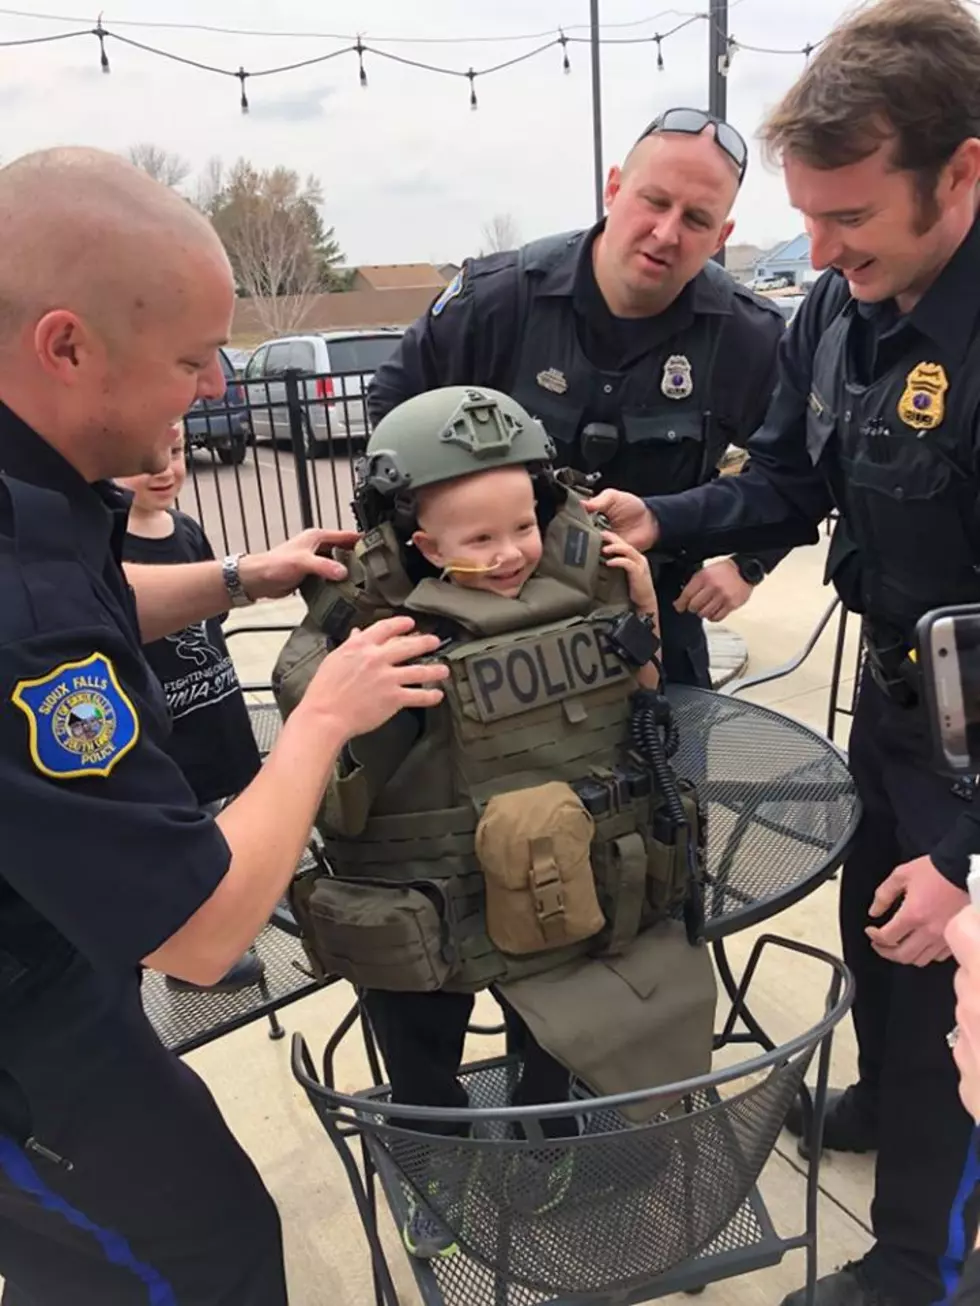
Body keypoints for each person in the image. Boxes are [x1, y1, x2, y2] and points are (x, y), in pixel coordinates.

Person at [0, 147, 449, 1306]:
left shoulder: (32, 504)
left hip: (53, 954)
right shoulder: (24, 608)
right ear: (66, 345)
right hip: (24, 1024)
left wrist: (242, 576)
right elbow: (199, 932)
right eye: (192, 361)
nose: (208, 392)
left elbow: (85, 607)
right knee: (195, 1260)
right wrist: (326, 720)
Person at [583, 2, 980, 1302]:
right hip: (897, 699)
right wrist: (670, 517)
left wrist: (971, 860)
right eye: (807, 217)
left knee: (958, 987)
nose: (816, 248)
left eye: (849, 219)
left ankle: (926, 1259)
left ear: (962, 171)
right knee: (879, 945)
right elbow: (792, 485)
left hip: (979, 758)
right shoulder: (843, 313)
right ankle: (904, 1094)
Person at [274, 386, 714, 1261]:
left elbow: (644, 712)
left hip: (558, 887)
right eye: (479, 539)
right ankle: (437, 1162)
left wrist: (643, 615)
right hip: (427, 897)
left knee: (547, 1031)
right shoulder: (368, 630)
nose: (512, 553)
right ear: (417, 542)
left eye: (525, 526)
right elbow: (329, 785)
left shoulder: (589, 588)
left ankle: (545, 1139)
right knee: (421, 1047)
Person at [366, 108, 787, 689]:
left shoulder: (748, 336)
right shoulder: (500, 301)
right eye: (653, 201)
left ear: (722, 237)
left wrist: (748, 564)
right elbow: (392, 416)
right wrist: (447, 543)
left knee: (671, 777)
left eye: (696, 218)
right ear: (614, 188)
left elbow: (795, 471)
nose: (666, 233)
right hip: (484, 628)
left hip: (653, 622)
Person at [118, 421, 264, 993]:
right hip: (170, 743)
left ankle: (227, 925)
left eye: (176, 451)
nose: (164, 468)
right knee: (190, 848)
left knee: (228, 833)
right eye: (146, 454)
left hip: (218, 717)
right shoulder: (108, 547)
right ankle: (196, 957)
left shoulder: (185, 531)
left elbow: (213, 613)